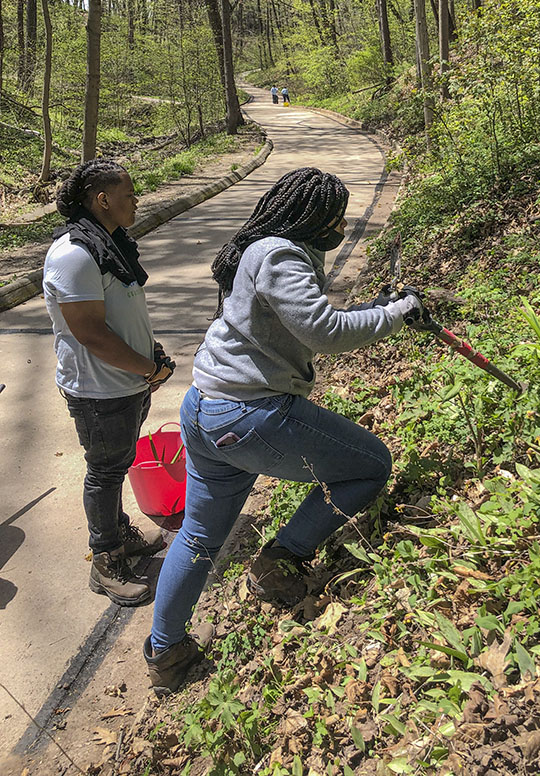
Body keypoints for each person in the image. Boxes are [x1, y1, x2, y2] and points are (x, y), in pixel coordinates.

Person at [143, 167, 425, 696]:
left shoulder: (265, 246)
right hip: (250, 414)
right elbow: (323, 332)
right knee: (370, 466)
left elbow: (303, 319)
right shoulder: (281, 254)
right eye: (334, 216)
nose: (341, 225)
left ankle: (166, 650)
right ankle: (282, 558)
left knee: (200, 535)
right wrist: (398, 315)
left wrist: (377, 309)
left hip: (204, 408)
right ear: (311, 217)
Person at [43, 159, 176, 607]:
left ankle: (119, 534)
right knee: (104, 472)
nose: (136, 201)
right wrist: (145, 370)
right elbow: (92, 334)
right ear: (102, 200)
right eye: (129, 194)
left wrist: (150, 360)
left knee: (115, 466)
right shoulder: (75, 254)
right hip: (99, 390)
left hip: (126, 382)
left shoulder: (109, 244)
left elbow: (127, 310)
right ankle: (106, 562)